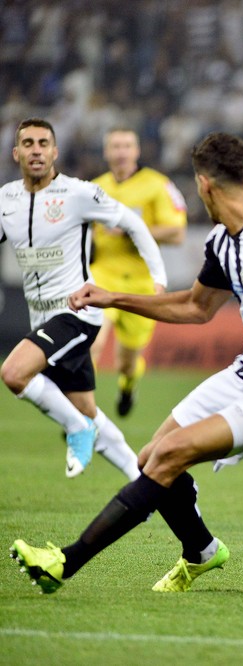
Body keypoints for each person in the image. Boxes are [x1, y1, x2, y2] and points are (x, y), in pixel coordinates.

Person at [10, 131, 243, 594]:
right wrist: (113, 298)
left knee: (167, 456)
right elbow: (195, 307)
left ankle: (64, 563)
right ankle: (202, 551)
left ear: (203, 185)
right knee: (151, 457)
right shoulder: (223, 242)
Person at [0, 118, 167, 481]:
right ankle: (145, 483)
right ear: (16, 153)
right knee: (88, 410)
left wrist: (159, 279)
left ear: (55, 151)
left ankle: (76, 430)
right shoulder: (6, 200)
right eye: (28, 143)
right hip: (41, 320)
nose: (36, 150)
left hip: (77, 312)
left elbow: (134, 224)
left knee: (13, 374)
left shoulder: (78, 193)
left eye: (44, 143)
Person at [90, 127, 188, 417]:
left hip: (142, 283)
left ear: (137, 151)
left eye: (126, 146)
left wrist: (133, 230)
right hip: (101, 275)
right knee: (90, 344)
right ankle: (81, 410)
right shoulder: (93, 188)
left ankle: (127, 386)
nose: (121, 152)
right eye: (115, 146)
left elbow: (177, 233)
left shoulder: (158, 185)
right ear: (106, 152)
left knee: (126, 362)